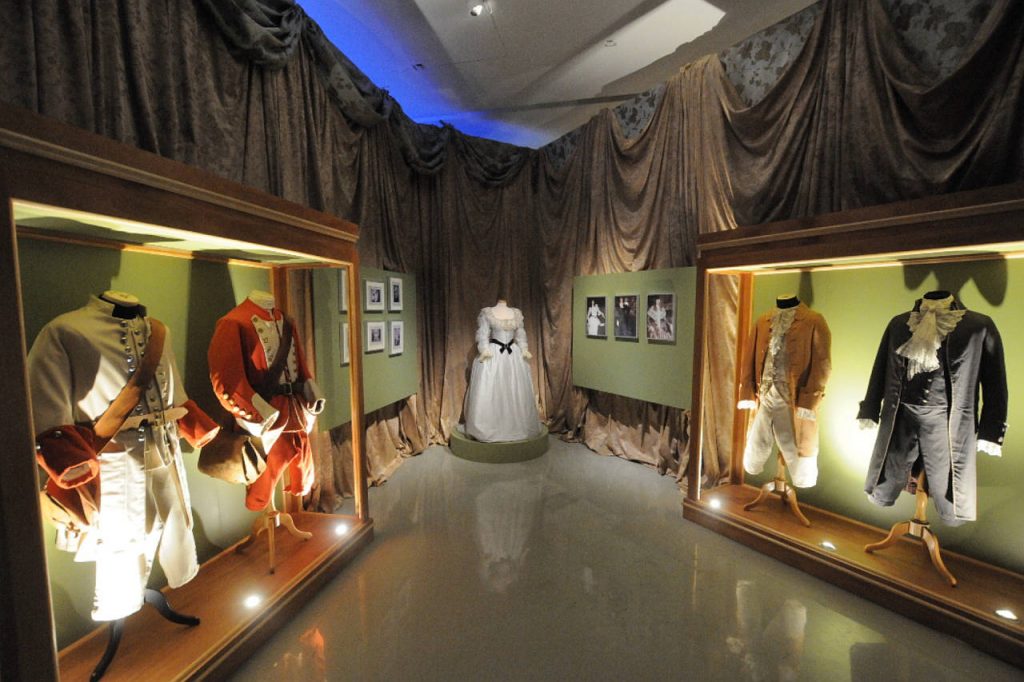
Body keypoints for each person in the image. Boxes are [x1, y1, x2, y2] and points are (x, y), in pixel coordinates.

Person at [28, 291, 218, 621]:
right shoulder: (64, 331)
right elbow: (44, 408)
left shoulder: (158, 331)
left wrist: (194, 426)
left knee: (175, 525)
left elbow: (175, 391)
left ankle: (173, 580)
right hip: (112, 460)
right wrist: (67, 464)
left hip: (165, 449)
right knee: (120, 543)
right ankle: (120, 613)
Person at [463, 299, 542, 442]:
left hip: (513, 355)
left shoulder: (516, 314)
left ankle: (517, 426)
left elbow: (520, 334)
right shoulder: (487, 313)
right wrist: (484, 350)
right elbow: (483, 334)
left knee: (514, 389)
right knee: (492, 389)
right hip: (493, 355)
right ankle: (488, 427)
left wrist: (524, 349)